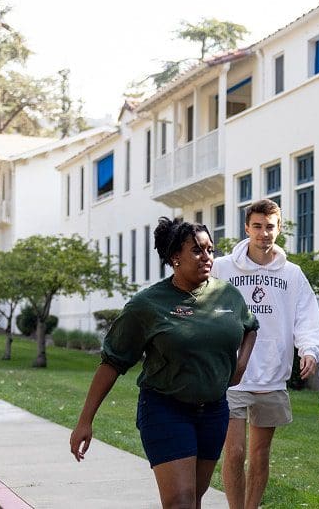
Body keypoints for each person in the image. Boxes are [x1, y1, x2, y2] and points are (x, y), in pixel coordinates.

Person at [70, 217, 258, 509]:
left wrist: (240, 366)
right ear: (175, 258)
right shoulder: (147, 304)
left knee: (194, 499)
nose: (207, 257)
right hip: (165, 409)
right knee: (180, 502)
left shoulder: (228, 295)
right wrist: (85, 420)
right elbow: (112, 362)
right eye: (197, 250)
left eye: (210, 249)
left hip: (214, 411)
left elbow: (250, 327)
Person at [211, 198, 319, 509]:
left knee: (260, 455)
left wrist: (309, 349)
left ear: (279, 228)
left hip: (271, 376)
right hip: (231, 376)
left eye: (269, 227)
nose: (263, 233)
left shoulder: (292, 273)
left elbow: (306, 315)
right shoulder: (222, 268)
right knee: (234, 452)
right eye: (257, 226)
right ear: (247, 228)